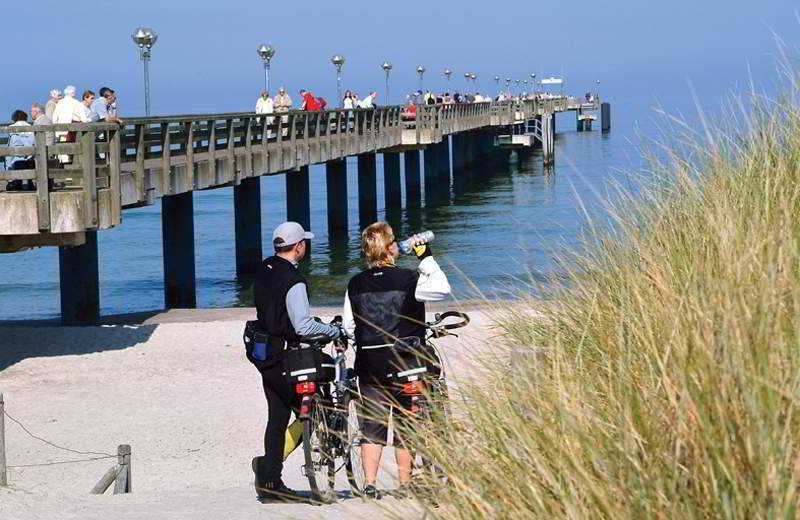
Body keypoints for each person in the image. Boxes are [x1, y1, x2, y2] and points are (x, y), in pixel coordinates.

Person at [342, 222, 451, 499]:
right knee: (405, 422)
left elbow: (349, 327)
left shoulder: (355, 284)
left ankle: (369, 483)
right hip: (405, 361)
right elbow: (441, 288)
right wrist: (425, 256)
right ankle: (404, 483)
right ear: (391, 248)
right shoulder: (408, 279)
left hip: (370, 363)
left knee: (373, 424)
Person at [251, 222, 341, 502]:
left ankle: (269, 478)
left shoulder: (265, 268)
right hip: (287, 357)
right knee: (315, 411)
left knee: (277, 417)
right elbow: (302, 326)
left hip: (264, 353)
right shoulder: (294, 280)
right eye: (305, 243)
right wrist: (333, 330)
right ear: (299, 246)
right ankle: (269, 470)